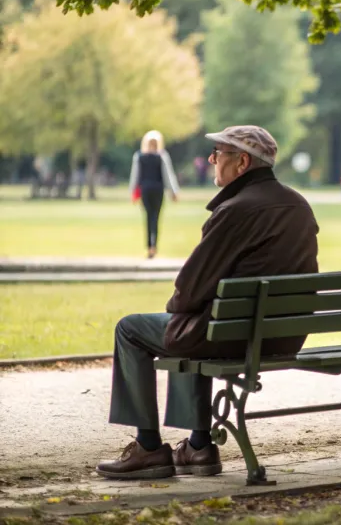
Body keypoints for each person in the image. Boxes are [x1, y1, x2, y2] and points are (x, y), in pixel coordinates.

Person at [97, 125, 320, 480]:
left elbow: (189, 287)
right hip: (281, 334)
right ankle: (199, 447)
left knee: (132, 328)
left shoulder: (235, 209)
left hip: (233, 335)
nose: (211, 160)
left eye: (219, 153)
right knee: (195, 320)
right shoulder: (299, 205)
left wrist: (178, 305)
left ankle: (149, 448)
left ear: (242, 162)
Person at [129, 131, 181, 258]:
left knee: (148, 217)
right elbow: (168, 175)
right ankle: (153, 246)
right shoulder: (161, 156)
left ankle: (149, 246)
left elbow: (135, 176)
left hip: (146, 190)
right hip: (157, 190)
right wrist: (173, 192)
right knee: (155, 218)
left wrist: (133, 192)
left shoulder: (139, 156)